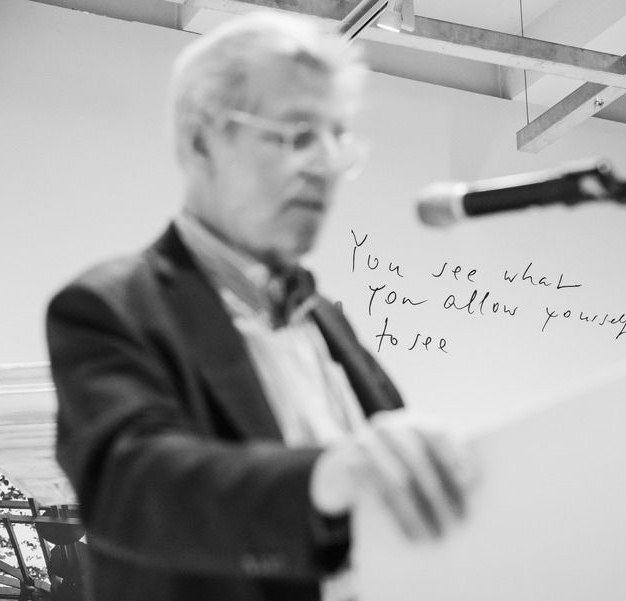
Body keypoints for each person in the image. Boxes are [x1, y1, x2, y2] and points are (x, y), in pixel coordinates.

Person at [46, 12, 474, 601]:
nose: (327, 165)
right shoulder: (111, 306)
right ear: (202, 141)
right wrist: (324, 477)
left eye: (338, 137)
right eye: (298, 135)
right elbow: (137, 484)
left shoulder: (324, 318)